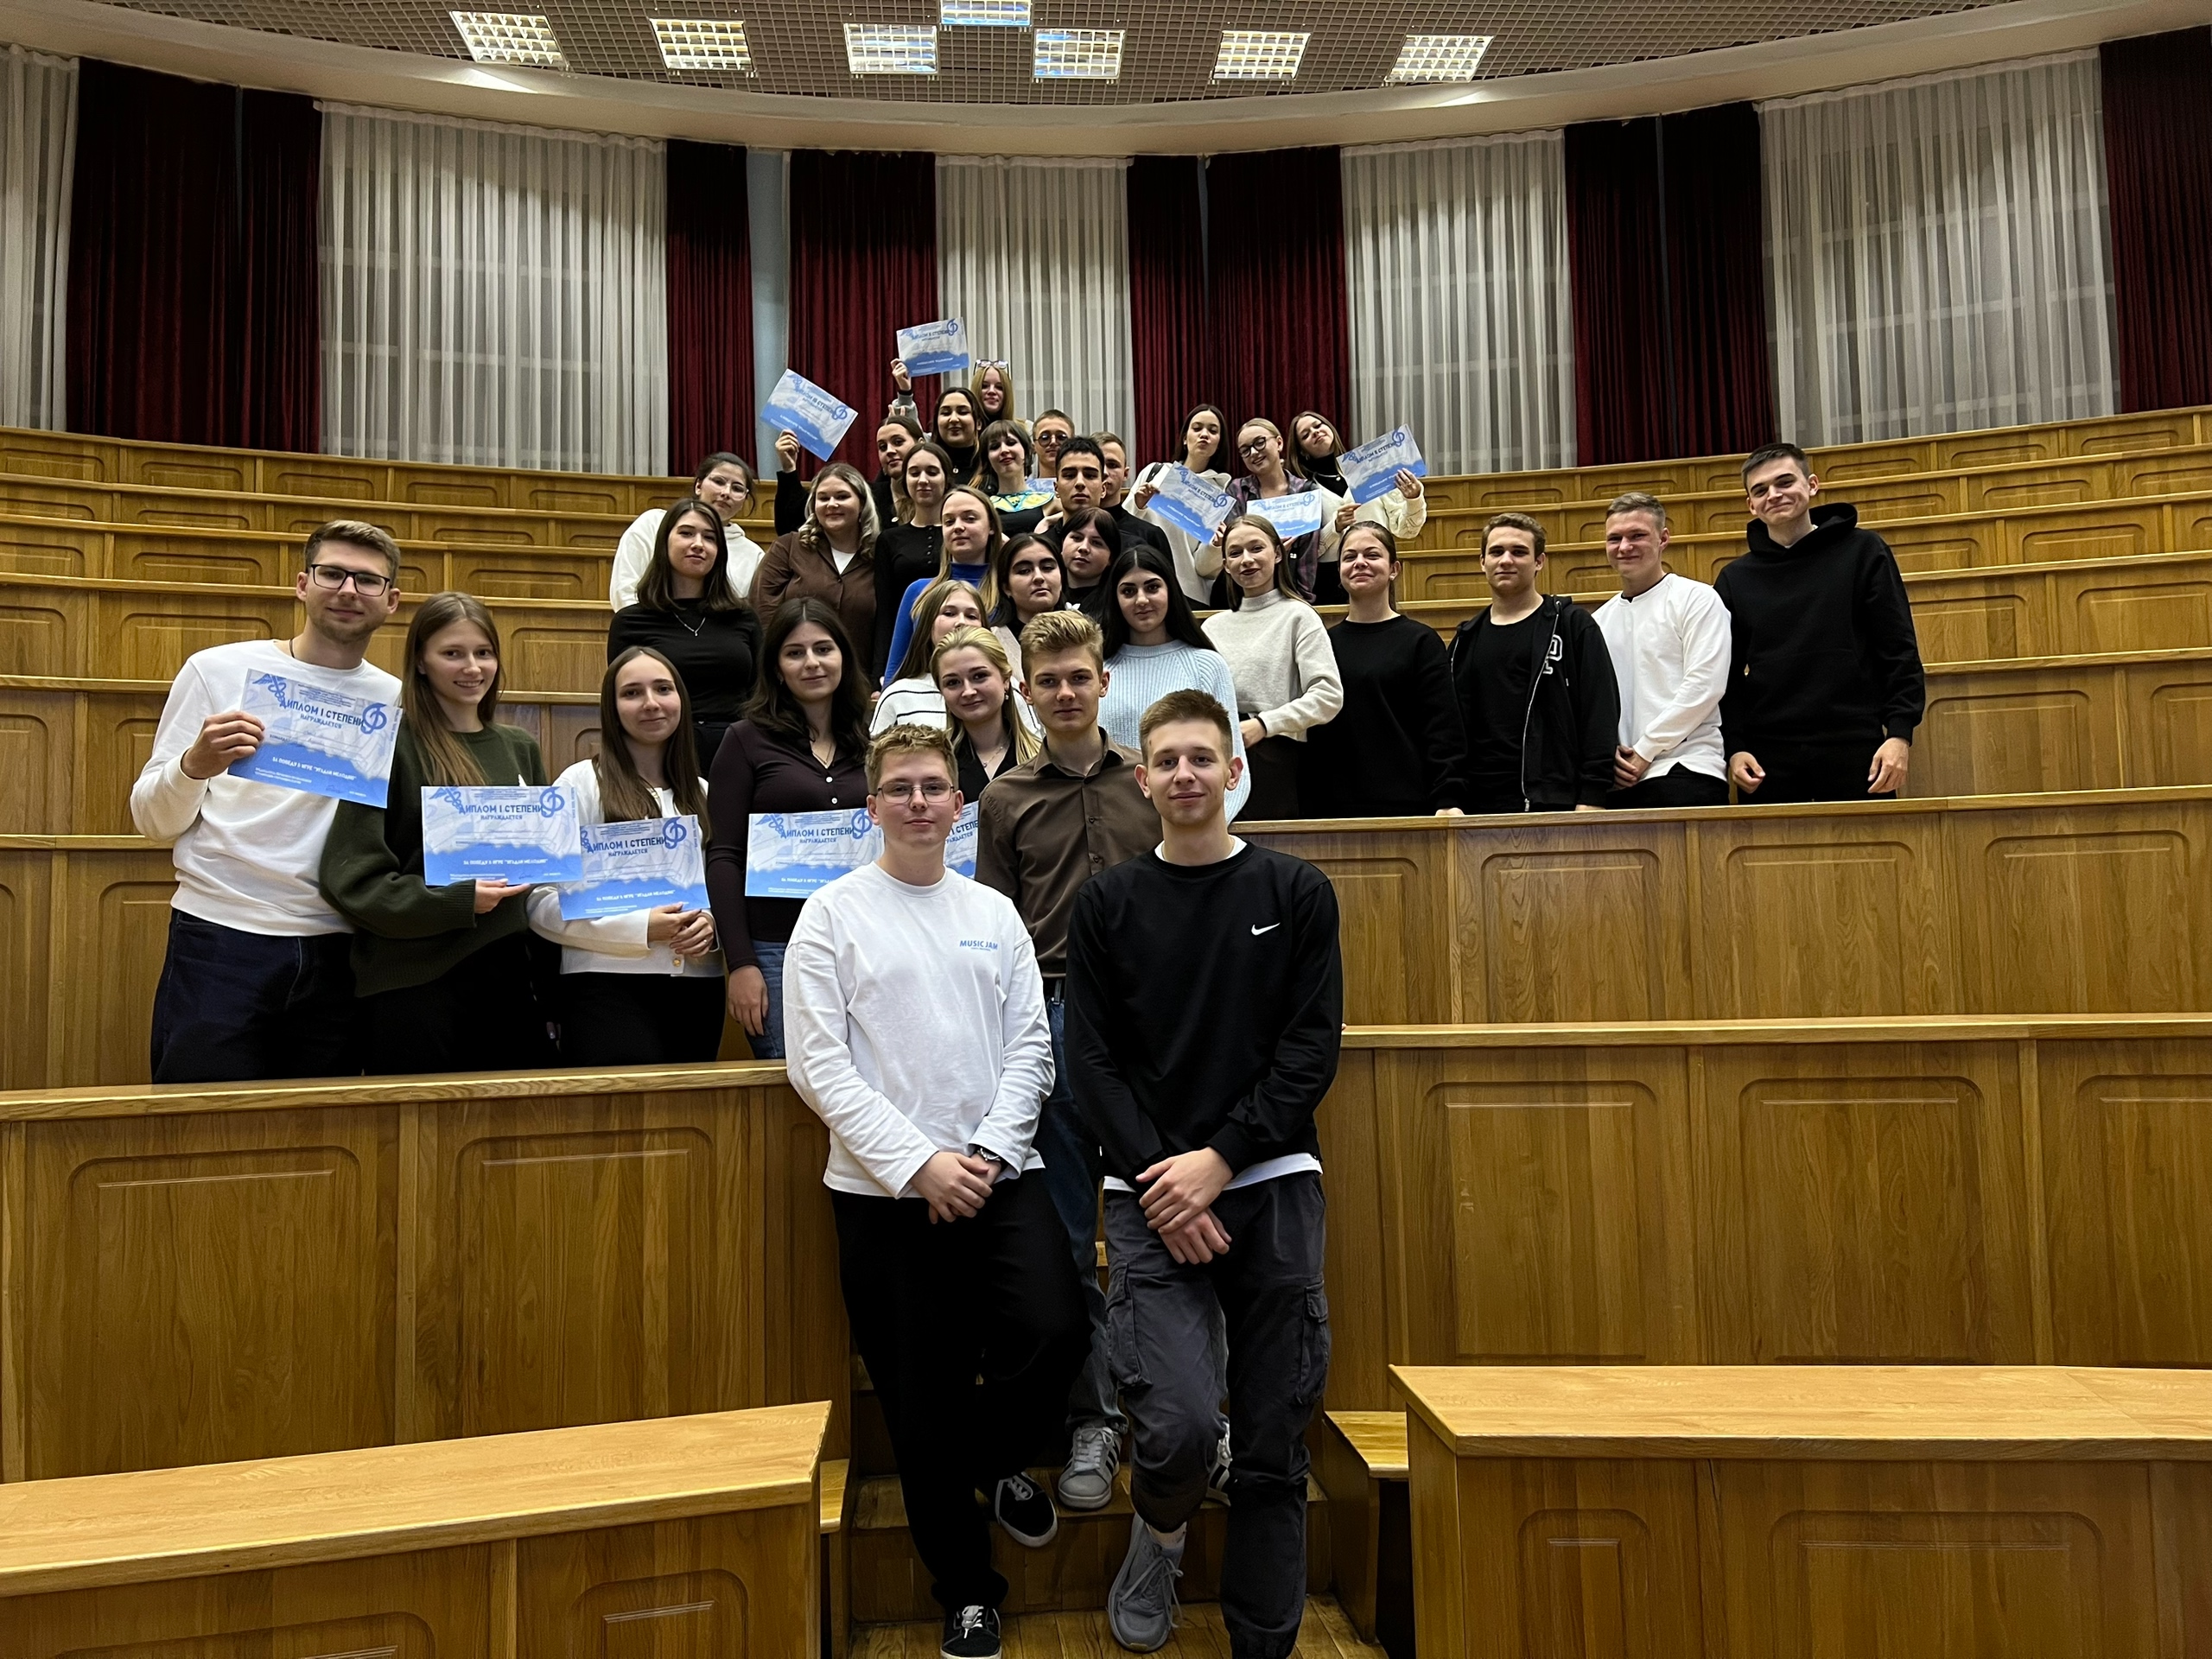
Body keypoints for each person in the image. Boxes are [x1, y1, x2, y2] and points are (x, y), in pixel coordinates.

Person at [785, 720, 1086, 1659]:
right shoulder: (831, 914)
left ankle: (985, 1462)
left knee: (1055, 1332)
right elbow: (817, 1066)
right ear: (871, 806)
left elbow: (1032, 1048)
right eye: (899, 788)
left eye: (933, 788)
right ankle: (966, 1590)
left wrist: (986, 1153)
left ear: (960, 805)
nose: (917, 802)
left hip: (1001, 1176)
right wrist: (918, 1164)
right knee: (921, 1399)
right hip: (882, 1195)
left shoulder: (993, 913)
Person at [1065, 688, 1343, 1659]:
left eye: (1200, 757)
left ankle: (1264, 1643)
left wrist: (1219, 1161)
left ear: (1233, 769)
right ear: (1142, 780)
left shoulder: (1296, 891)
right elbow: (1089, 1062)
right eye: (1167, 761)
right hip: (1148, 1195)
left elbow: (1310, 1050)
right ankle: (1162, 1531)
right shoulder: (1106, 904)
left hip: (1270, 1181)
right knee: (1180, 1428)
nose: (1185, 774)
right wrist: (1166, 1180)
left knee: (1271, 1442)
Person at [974, 608, 1163, 1520]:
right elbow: (992, 933)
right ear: (1026, 691)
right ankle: (1093, 1420)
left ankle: (1176, 1413)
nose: (1064, 692)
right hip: (1046, 1018)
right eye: (1046, 681)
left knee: (1158, 1228)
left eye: (1078, 676)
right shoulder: (1004, 799)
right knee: (1065, 1244)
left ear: (1102, 682)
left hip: (1148, 1024)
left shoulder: (1149, 779)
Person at [132, 519, 404, 1082]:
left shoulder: (396, 700)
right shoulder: (218, 669)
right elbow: (151, 821)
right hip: (220, 936)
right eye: (332, 574)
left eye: (367, 580)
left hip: (340, 946)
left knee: (318, 1126)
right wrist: (195, 765)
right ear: (303, 584)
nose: (348, 590)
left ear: (391, 601)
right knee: (199, 1117)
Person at [319, 592, 557, 1074]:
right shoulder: (386, 746)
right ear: (420, 662)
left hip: (508, 975)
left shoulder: (520, 748)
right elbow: (352, 880)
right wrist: (456, 900)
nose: (472, 667)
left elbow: (543, 868)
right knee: (419, 1122)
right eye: (452, 653)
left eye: (483, 652)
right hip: (415, 981)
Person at [527, 647, 722, 1064]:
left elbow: (724, 889)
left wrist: (711, 927)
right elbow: (540, 901)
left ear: (681, 700)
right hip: (604, 987)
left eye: (663, 689)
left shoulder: (705, 793)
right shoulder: (579, 784)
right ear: (612, 709)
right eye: (632, 693)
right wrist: (639, 928)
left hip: (698, 987)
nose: (651, 703)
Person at [705, 597, 874, 1060]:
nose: (812, 662)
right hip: (777, 950)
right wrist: (742, 963)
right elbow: (725, 856)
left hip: (864, 945)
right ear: (777, 669)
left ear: (844, 657)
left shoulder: (870, 742)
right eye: (795, 653)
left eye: (824, 649)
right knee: (791, 1082)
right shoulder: (744, 741)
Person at [1720, 442, 1926, 803]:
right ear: (1751, 504)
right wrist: (1735, 747)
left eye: (1785, 482)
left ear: (1812, 485)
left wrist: (1899, 733)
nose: (1774, 494)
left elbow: (1897, 648)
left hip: (1855, 742)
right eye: (1761, 490)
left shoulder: (1865, 551)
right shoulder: (1734, 578)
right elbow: (1727, 674)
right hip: (1767, 754)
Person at [1446, 513, 1620, 815]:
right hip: (1478, 804)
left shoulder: (1571, 625)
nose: (1506, 560)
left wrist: (1593, 794)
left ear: (1539, 561)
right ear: (1483, 562)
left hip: (1556, 799)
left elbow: (1599, 711)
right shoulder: (1466, 639)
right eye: (1496, 552)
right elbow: (1451, 729)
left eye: (1519, 552)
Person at [1303, 523, 1468, 818]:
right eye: (1350, 557)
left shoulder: (1421, 641)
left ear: (1394, 569)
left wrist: (1448, 797)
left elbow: (1442, 728)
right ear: (1339, 571)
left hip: (1407, 804)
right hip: (1332, 808)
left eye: (1372, 555)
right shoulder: (1323, 643)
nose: (1360, 563)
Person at [1589, 493, 1732, 810]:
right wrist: (1609, 755)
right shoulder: (1597, 621)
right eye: (1614, 538)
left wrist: (1646, 750)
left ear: (1663, 539)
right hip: (1619, 776)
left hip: (1687, 768)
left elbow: (1705, 686)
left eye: (1637, 535)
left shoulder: (1697, 599)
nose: (1624, 546)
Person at [1201, 517, 1343, 821]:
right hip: (1218, 756)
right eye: (1235, 553)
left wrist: (1264, 724)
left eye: (1256, 548)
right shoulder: (1212, 627)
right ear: (1225, 565)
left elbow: (1328, 695)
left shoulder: (1299, 616)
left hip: (1275, 754)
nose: (1246, 560)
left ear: (1277, 553)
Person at [1097, 542, 1251, 822]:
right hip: (1115, 827)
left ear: (1171, 590)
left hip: (1194, 830)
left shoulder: (1207, 665)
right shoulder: (1099, 670)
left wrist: (1203, 832)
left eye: (1152, 587)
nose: (1141, 600)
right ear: (1114, 599)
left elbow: (1232, 764)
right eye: (1128, 591)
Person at [607, 498, 761, 762]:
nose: (698, 544)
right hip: (662, 753)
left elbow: (761, 694)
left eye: (710, 538)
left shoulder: (743, 618)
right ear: (664, 543)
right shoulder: (630, 622)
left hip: (738, 751)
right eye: (687, 533)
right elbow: (623, 702)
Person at [753, 461, 880, 678]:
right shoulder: (788, 547)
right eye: (823, 498)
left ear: (862, 504)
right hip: (795, 676)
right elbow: (763, 609)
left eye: (842, 497)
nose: (832, 504)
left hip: (859, 680)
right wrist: (775, 665)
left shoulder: (879, 555)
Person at [1287, 410, 1427, 605]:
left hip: (1376, 568)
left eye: (1318, 426)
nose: (1315, 432)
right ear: (1302, 450)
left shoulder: (1371, 471)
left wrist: (1413, 499)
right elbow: (1304, 551)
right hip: (1329, 579)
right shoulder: (1302, 489)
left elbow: (1406, 530)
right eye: (1306, 435)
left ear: (1330, 428)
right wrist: (1334, 527)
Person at [611, 452, 761, 610]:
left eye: (737, 489)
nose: (726, 493)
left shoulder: (753, 554)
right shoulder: (652, 524)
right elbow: (624, 589)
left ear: (744, 500)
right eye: (718, 482)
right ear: (698, 486)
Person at [881, 485, 1001, 675]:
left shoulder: (1008, 589)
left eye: (970, 519)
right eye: (949, 521)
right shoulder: (919, 590)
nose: (958, 527)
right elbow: (896, 667)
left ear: (992, 527)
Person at [1224, 418, 1343, 605]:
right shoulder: (1237, 490)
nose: (1253, 453)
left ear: (1279, 443)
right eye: (1245, 450)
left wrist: (1302, 600)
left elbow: (1308, 554)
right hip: (1248, 596)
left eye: (1259, 442)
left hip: (1295, 595)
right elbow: (1235, 547)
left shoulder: (1306, 491)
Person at [1130, 402, 1230, 604]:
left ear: (1219, 443)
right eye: (1197, 428)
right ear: (1185, 438)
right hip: (1142, 582)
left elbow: (1203, 569)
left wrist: (1215, 546)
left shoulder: (1221, 494)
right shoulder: (1155, 472)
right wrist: (1138, 505)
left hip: (1189, 595)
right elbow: (1124, 529)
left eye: (1213, 431)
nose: (1204, 435)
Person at [872, 440, 954, 677]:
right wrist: (880, 675)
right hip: (906, 650)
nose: (923, 480)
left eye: (932, 472)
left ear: (946, 478)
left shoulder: (960, 534)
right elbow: (885, 612)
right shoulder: (889, 539)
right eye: (914, 473)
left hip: (956, 644)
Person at [932, 625, 1039, 799]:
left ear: (1006, 679)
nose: (968, 691)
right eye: (953, 682)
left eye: (979, 676)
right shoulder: (932, 764)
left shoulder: (1044, 759)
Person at [871, 577, 989, 734]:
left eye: (972, 616)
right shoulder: (897, 695)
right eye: (949, 613)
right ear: (928, 625)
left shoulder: (1004, 687)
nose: (961, 622)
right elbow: (876, 749)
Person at [773, 416, 916, 538]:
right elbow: (791, 525)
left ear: (921, 443)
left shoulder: (930, 496)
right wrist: (789, 468)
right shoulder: (869, 495)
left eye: (898, 442)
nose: (889, 451)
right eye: (882, 447)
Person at [983, 531, 1064, 664]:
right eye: (1024, 571)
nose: (1038, 577)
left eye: (1048, 568)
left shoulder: (1085, 633)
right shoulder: (991, 644)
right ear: (1006, 587)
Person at [1091, 432, 1173, 561]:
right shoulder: (1065, 529)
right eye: (1097, 464)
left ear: (1125, 474)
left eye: (1112, 465)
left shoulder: (1150, 536)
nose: (1105, 472)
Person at [980, 419, 1052, 537]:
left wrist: (1049, 520)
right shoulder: (983, 507)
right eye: (995, 446)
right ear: (987, 459)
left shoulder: (1050, 502)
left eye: (1011, 442)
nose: (1004, 450)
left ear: (1026, 451)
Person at [1056, 504, 1121, 618]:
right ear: (1062, 543)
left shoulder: (1117, 605)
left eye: (1096, 543)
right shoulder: (1044, 594)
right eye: (1077, 538)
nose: (1084, 548)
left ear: (1111, 558)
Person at [1031, 409, 1076, 480]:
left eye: (1061, 437)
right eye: (1045, 438)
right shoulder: (1023, 487)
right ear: (1034, 447)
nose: (1053, 442)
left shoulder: (1084, 485)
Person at [972, 359, 1018, 427]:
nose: (991, 391)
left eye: (999, 387)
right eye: (984, 386)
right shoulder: (963, 431)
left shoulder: (1025, 429)